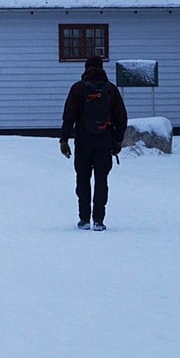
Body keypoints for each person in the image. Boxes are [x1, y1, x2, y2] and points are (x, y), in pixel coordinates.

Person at [59, 55, 127, 231]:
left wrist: (64, 139)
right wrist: (118, 140)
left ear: (86, 68)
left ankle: (84, 219)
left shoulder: (78, 88)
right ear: (102, 68)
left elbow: (69, 116)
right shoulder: (111, 89)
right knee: (101, 180)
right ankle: (98, 220)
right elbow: (121, 118)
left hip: (83, 141)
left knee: (83, 178)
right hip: (105, 141)